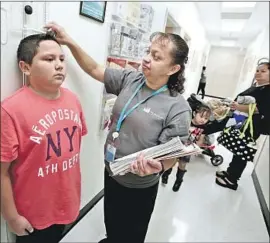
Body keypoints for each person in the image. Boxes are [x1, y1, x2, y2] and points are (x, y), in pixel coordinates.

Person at [45, 22, 191, 243]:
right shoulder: (132, 79)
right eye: (148, 52)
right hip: (112, 171)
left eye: (157, 57)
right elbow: (94, 69)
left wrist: (158, 167)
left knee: (131, 235)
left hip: (139, 186)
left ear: (173, 69)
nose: (147, 59)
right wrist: (68, 41)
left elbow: (171, 154)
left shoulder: (177, 107)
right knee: (112, 222)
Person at [1, 34, 88, 243]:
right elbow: (1, 173)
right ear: (26, 67)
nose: (59, 65)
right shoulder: (11, 110)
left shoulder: (72, 100)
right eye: (49, 59)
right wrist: (12, 217)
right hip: (32, 215)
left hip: (66, 203)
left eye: (61, 59)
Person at [216, 62, 270, 190]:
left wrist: (239, 107)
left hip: (254, 126)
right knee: (239, 148)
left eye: (263, 71)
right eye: (257, 70)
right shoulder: (259, 86)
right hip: (245, 123)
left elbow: (260, 109)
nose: (258, 73)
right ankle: (230, 172)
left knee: (242, 151)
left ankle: (232, 179)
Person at [162, 104, 211, 191]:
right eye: (201, 116)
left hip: (188, 149)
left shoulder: (204, 128)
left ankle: (179, 180)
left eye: (206, 118)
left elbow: (200, 141)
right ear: (195, 113)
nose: (203, 120)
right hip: (178, 145)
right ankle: (166, 174)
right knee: (172, 161)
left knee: (182, 164)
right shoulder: (187, 121)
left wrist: (196, 148)